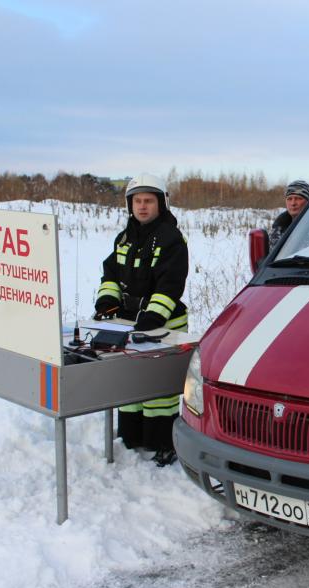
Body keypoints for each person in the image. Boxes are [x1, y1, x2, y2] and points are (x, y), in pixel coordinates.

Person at [94, 173, 188, 467]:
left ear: (160, 203)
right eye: (137, 201)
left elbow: (171, 283)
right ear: (130, 204)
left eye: (149, 201)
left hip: (164, 326)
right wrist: (107, 301)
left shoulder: (172, 238)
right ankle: (133, 436)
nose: (143, 207)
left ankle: (164, 442)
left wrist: (153, 315)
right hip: (128, 324)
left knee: (158, 391)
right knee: (131, 386)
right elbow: (110, 273)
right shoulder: (124, 238)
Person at [269, 180, 309, 250]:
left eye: (299, 198)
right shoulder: (278, 229)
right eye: (289, 199)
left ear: (308, 201)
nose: (293, 203)